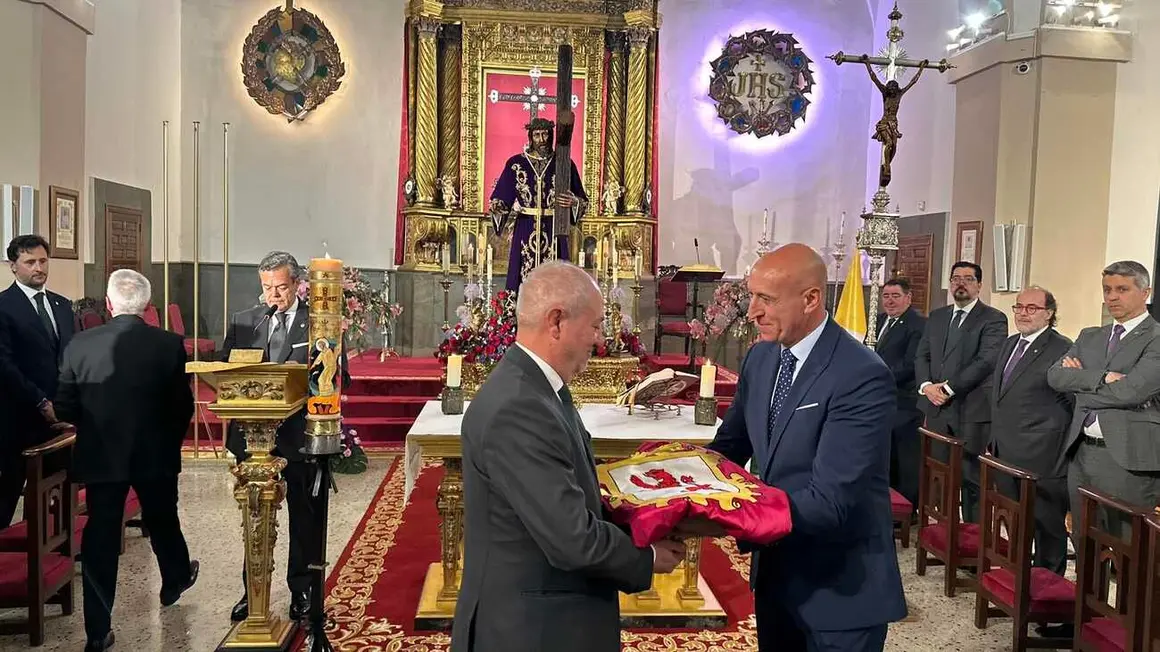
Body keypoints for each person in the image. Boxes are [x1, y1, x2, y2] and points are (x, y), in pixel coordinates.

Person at [450, 261, 685, 652]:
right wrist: (648, 557)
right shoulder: (520, 406)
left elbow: (572, 486)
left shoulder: (541, 389)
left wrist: (649, 511)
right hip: (529, 630)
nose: (600, 340)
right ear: (556, 322)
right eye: (594, 326)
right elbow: (573, 538)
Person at [707, 244, 905, 652]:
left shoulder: (861, 375)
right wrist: (677, 488)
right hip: (777, 581)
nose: (751, 312)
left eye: (767, 299)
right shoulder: (762, 358)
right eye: (751, 296)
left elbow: (831, 500)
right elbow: (729, 447)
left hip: (840, 590)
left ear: (811, 298)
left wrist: (727, 519)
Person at [54, 269, 198, 652]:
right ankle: (176, 577)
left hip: (101, 455)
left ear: (108, 303)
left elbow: (66, 405)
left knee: (100, 538)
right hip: (155, 454)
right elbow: (182, 406)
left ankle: (98, 632)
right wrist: (166, 441)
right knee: (163, 518)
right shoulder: (169, 345)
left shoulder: (79, 344)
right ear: (148, 307)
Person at [219, 250, 348, 623]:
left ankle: (302, 590)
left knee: (303, 517)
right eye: (266, 287)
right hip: (253, 434)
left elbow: (337, 377)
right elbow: (225, 371)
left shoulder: (318, 324)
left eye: (280, 287)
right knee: (255, 512)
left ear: (296, 283)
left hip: (298, 434)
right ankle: (253, 591)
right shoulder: (246, 321)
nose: (273, 295)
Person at [1048, 261, 1160, 537]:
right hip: (1081, 453)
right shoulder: (1090, 336)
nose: (1111, 297)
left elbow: (1131, 392)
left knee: (1129, 549)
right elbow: (1054, 377)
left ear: (1146, 292)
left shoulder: (1156, 338)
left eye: (1122, 289)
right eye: (1107, 290)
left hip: (1127, 459)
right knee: (1084, 540)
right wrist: (1103, 377)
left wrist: (1080, 385)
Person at [914, 261, 1008, 523]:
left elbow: (986, 361)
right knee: (937, 475)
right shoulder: (937, 316)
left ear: (979, 285)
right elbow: (922, 355)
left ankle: (972, 540)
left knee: (971, 479)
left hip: (972, 411)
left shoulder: (993, 318)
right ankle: (939, 533)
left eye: (968, 279)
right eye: (956, 278)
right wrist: (925, 387)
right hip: (936, 409)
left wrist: (947, 388)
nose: (961, 283)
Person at [989, 286, 1073, 576]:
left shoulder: (1061, 348)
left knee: (1047, 529)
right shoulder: (1010, 343)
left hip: (1042, 457)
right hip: (1005, 451)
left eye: (1032, 308)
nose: (1023, 313)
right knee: (1016, 523)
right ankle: (1019, 579)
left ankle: (1048, 590)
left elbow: (1070, 403)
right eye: (1019, 307)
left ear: (1049, 314)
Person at [0, 234, 75, 526]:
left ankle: (59, 550)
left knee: (59, 486)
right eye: (30, 262)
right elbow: (4, 364)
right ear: (13, 266)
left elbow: (70, 356)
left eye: (43, 260)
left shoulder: (61, 304)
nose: (38, 268)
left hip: (60, 416)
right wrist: (40, 401)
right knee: (8, 492)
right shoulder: (5, 306)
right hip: (19, 416)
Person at [488, 117, 589, 292]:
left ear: (551, 136)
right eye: (537, 135)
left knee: (555, 278)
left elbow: (582, 200)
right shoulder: (516, 164)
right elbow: (502, 198)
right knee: (522, 274)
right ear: (530, 137)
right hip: (525, 227)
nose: (542, 140)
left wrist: (574, 202)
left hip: (554, 228)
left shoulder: (564, 163)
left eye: (545, 135)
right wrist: (498, 206)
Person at [873, 278, 927, 510]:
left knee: (905, 459)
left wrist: (873, 378)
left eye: (895, 296)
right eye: (886, 296)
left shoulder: (919, 325)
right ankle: (889, 506)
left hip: (905, 402)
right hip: (880, 400)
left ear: (908, 298)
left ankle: (909, 508)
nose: (890, 301)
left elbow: (911, 364)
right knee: (887, 456)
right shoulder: (880, 320)